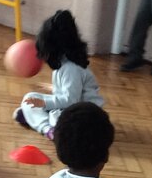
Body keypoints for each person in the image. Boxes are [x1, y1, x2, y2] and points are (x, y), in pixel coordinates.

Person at [13, 10, 104, 140]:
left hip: (83, 116)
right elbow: (70, 92)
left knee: (48, 112)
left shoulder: (71, 69)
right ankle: (36, 118)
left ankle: (48, 129)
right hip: (76, 108)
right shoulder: (65, 62)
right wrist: (52, 88)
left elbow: (71, 101)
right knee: (30, 98)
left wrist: (43, 103)